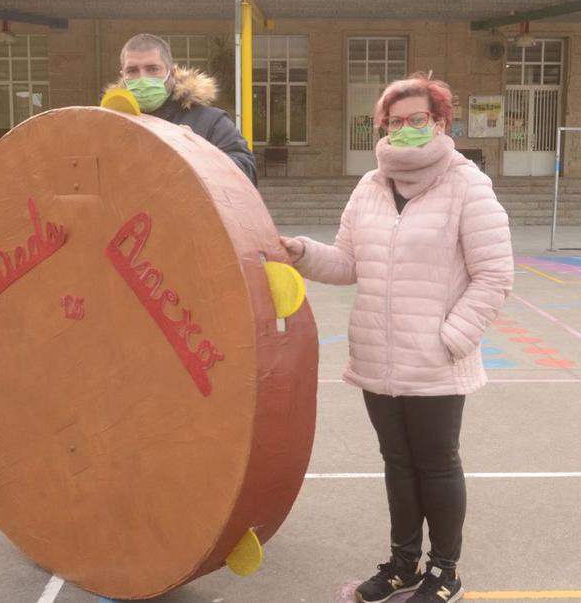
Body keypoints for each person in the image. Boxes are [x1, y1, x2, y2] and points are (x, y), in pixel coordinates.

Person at [280, 74, 513, 603]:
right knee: (398, 464)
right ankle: (405, 562)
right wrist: (301, 252)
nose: (406, 129)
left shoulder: (465, 183)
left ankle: (445, 570)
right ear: (381, 125)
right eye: (396, 120)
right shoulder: (370, 186)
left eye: (418, 119)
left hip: (434, 361)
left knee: (436, 463)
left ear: (440, 122)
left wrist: (451, 339)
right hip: (378, 360)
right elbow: (348, 263)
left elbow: (494, 274)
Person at [113, 33, 257, 184]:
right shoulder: (111, 124)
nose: (142, 78)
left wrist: (200, 154)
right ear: (123, 76)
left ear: (172, 73)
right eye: (132, 71)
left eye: (153, 69)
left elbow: (247, 174)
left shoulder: (211, 122)